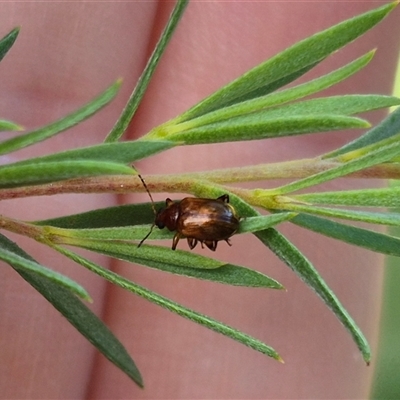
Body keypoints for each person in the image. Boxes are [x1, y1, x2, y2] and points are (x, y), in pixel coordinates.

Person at [1, 2, 400, 398]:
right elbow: (209, 215)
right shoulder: (186, 213)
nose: (163, 213)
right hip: (220, 217)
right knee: (215, 224)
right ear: (172, 212)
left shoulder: (184, 217)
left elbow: (209, 218)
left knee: (215, 225)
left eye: (164, 213)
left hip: (222, 218)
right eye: (164, 212)